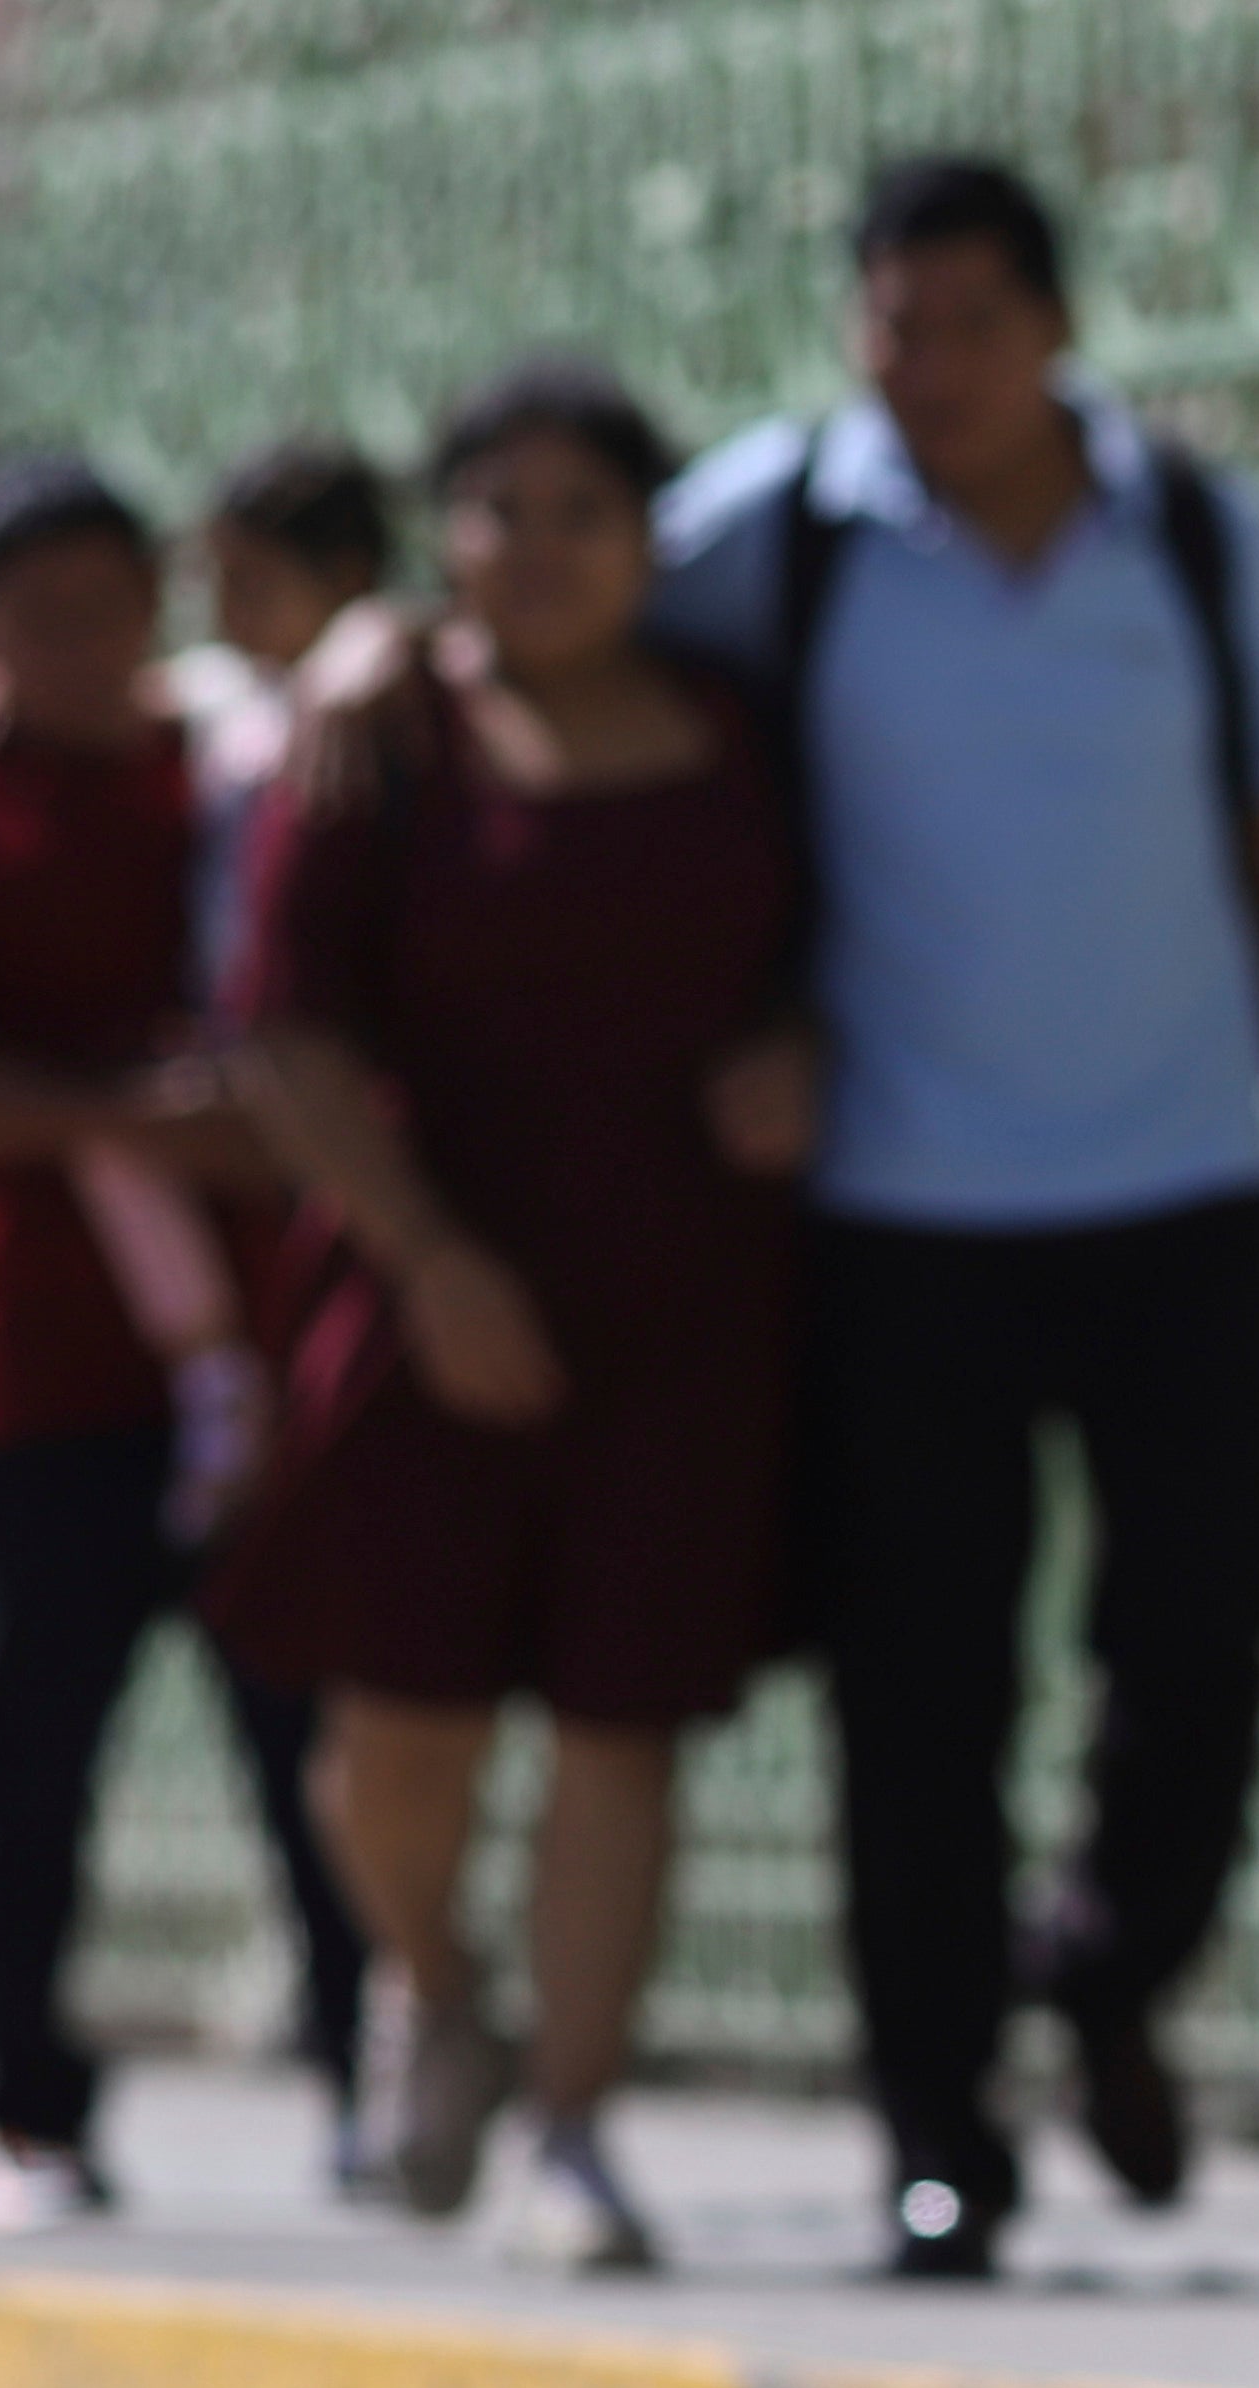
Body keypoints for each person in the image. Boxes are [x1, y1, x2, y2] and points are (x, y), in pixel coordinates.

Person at [640, 154, 1259, 2279]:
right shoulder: (779, 532)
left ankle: (1112, 1964)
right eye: (892, 323)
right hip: (898, 1210)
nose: (926, 364)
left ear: (1052, 325)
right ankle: (936, 2132)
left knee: (1208, 1626)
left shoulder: (1202, 533)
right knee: (918, 1693)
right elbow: (560, 654)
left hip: (1183, 1183)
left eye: (967, 320)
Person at [207, 359, 808, 2272]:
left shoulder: (736, 727)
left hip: (684, 1304)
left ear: (647, 540)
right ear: (440, 538)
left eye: (583, 515)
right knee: (402, 1726)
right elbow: (283, 1029)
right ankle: (432, 1984)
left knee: (622, 1727)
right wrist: (427, 1259)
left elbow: (820, 952)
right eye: (499, 512)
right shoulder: (378, 738)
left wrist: (797, 1056)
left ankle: (573, 2124)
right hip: (423, 1304)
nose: (538, 552)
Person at [0, 448, 367, 2225]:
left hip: (265, 1361)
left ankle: (370, 2074)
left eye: (112, 613)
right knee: (44, 1740)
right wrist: (132, 1114)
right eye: (40, 620)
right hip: (50, 1362)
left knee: (309, 1735)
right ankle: (28, 2103)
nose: (82, 649)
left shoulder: (237, 780)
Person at [170, 436, 395, 995]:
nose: (226, 612)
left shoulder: (391, 701)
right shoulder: (224, 691)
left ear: (347, 576)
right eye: (217, 584)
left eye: (250, 584)